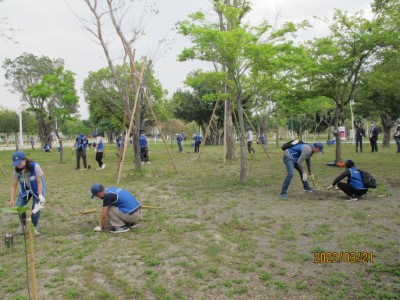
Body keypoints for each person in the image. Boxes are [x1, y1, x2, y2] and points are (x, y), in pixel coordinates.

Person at [8, 151, 46, 236]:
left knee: (36, 208)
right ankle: (24, 226)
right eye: (15, 163)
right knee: (19, 206)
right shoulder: (16, 171)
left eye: (18, 163)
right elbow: (13, 186)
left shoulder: (35, 167)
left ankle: (33, 227)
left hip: (37, 189)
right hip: (26, 190)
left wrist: (40, 195)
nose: (17, 165)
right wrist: (11, 199)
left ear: (24, 161)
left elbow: (39, 182)